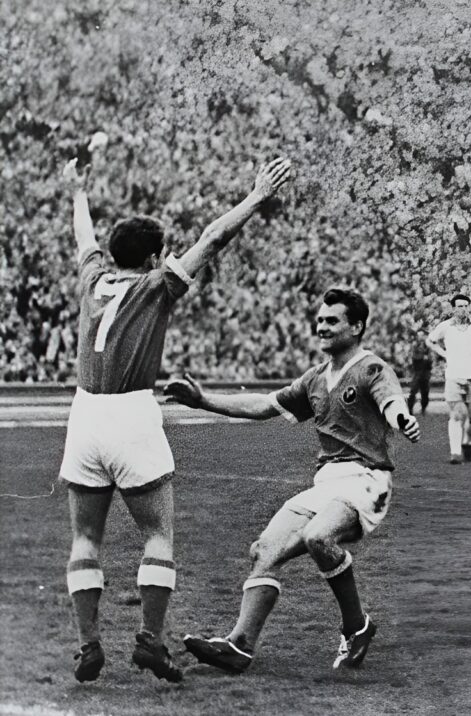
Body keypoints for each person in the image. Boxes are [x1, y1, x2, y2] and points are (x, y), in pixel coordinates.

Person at [58, 155, 294, 683]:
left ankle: (88, 644)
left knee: (85, 539)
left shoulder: (92, 278)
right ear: (153, 256)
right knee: (157, 535)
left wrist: (77, 191)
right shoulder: (157, 284)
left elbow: (82, 236)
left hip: (84, 414)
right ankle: (149, 640)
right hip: (131, 413)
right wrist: (257, 196)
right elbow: (212, 238)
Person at [164, 287, 421, 673]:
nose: (321, 327)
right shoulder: (315, 378)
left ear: (356, 326)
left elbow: (392, 402)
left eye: (331, 321)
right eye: (319, 320)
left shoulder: (372, 368)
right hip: (328, 482)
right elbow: (263, 405)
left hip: (367, 478)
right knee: (264, 550)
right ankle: (239, 646)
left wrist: (402, 419)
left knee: (319, 537)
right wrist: (203, 401)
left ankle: (355, 626)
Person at [427, 293, 471, 464]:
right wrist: (444, 354)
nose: (463, 309)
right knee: (456, 415)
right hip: (454, 376)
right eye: (459, 306)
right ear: (453, 309)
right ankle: (455, 453)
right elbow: (430, 341)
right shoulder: (445, 326)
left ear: (469, 307)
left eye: (465, 306)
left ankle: (467, 444)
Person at [406, 336, 433, 415]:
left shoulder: (428, 349)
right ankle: (410, 409)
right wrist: (423, 357)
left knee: (425, 393)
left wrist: (427, 359)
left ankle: (423, 409)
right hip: (417, 373)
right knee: (413, 392)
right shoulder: (415, 348)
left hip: (425, 374)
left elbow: (430, 361)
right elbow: (413, 358)